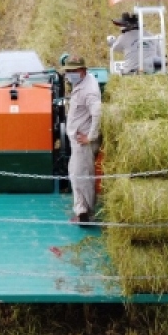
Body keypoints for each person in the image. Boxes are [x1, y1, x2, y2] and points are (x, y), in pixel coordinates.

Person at [62, 55, 102, 225]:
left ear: (82, 71)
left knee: (82, 176)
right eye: (67, 71)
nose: (69, 74)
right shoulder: (83, 81)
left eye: (72, 71)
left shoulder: (89, 90)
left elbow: (98, 113)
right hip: (77, 140)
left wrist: (90, 137)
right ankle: (81, 209)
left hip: (83, 142)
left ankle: (86, 213)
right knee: (75, 173)